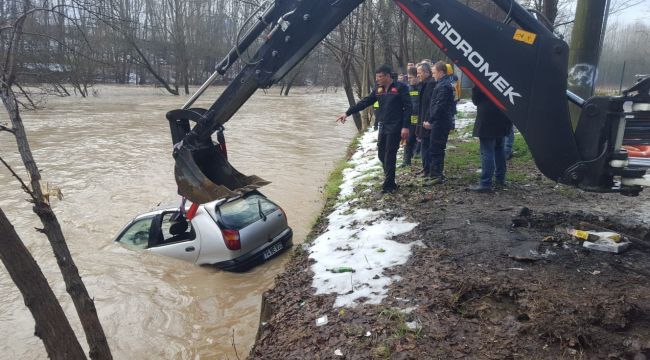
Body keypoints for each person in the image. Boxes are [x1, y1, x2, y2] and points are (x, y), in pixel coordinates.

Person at [337, 65, 412, 193]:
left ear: (388, 76)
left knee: (390, 154)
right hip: (383, 125)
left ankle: (388, 185)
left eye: (380, 77)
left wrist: (405, 126)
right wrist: (347, 113)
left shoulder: (401, 88)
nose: (377, 79)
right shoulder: (378, 89)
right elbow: (365, 102)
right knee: (381, 154)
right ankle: (390, 179)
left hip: (396, 126)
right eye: (376, 77)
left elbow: (408, 108)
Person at [469, 86, 513, 192]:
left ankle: (485, 183)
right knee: (499, 149)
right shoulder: (506, 77)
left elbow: (476, 99)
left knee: (487, 151)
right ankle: (500, 178)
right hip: (503, 115)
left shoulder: (484, 75)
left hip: (487, 118)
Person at [424, 61, 456, 184]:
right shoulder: (442, 84)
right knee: (435, 147)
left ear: (441, 72)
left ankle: (436, 175)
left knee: (436, 148)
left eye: (434, 73)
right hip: (439, 121)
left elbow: (440, 106)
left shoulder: (444, 86)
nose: (433, 75)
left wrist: (430, 120)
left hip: (441, 122)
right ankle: (435, 174)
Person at [415, 62, 435, 176]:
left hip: (426, 120)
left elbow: (430, 105)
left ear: (427, 72)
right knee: (423, 144)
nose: (418, 75)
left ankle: (428, 169)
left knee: (426, 145)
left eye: (420, 73)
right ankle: (425, 168)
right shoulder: (424, 84)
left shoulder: (431, 84)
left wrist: (427, 120)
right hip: (422, 118)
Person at [401, 66, 420, 167]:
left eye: (411, 77)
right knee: (408, 140)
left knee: (421, 140)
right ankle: (406, 162)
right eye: (408, 78)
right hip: (411, 119)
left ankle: (419, 156)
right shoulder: (407, 89)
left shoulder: (423, 87)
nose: (409, 80)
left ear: (417, 77)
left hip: (421, 119)